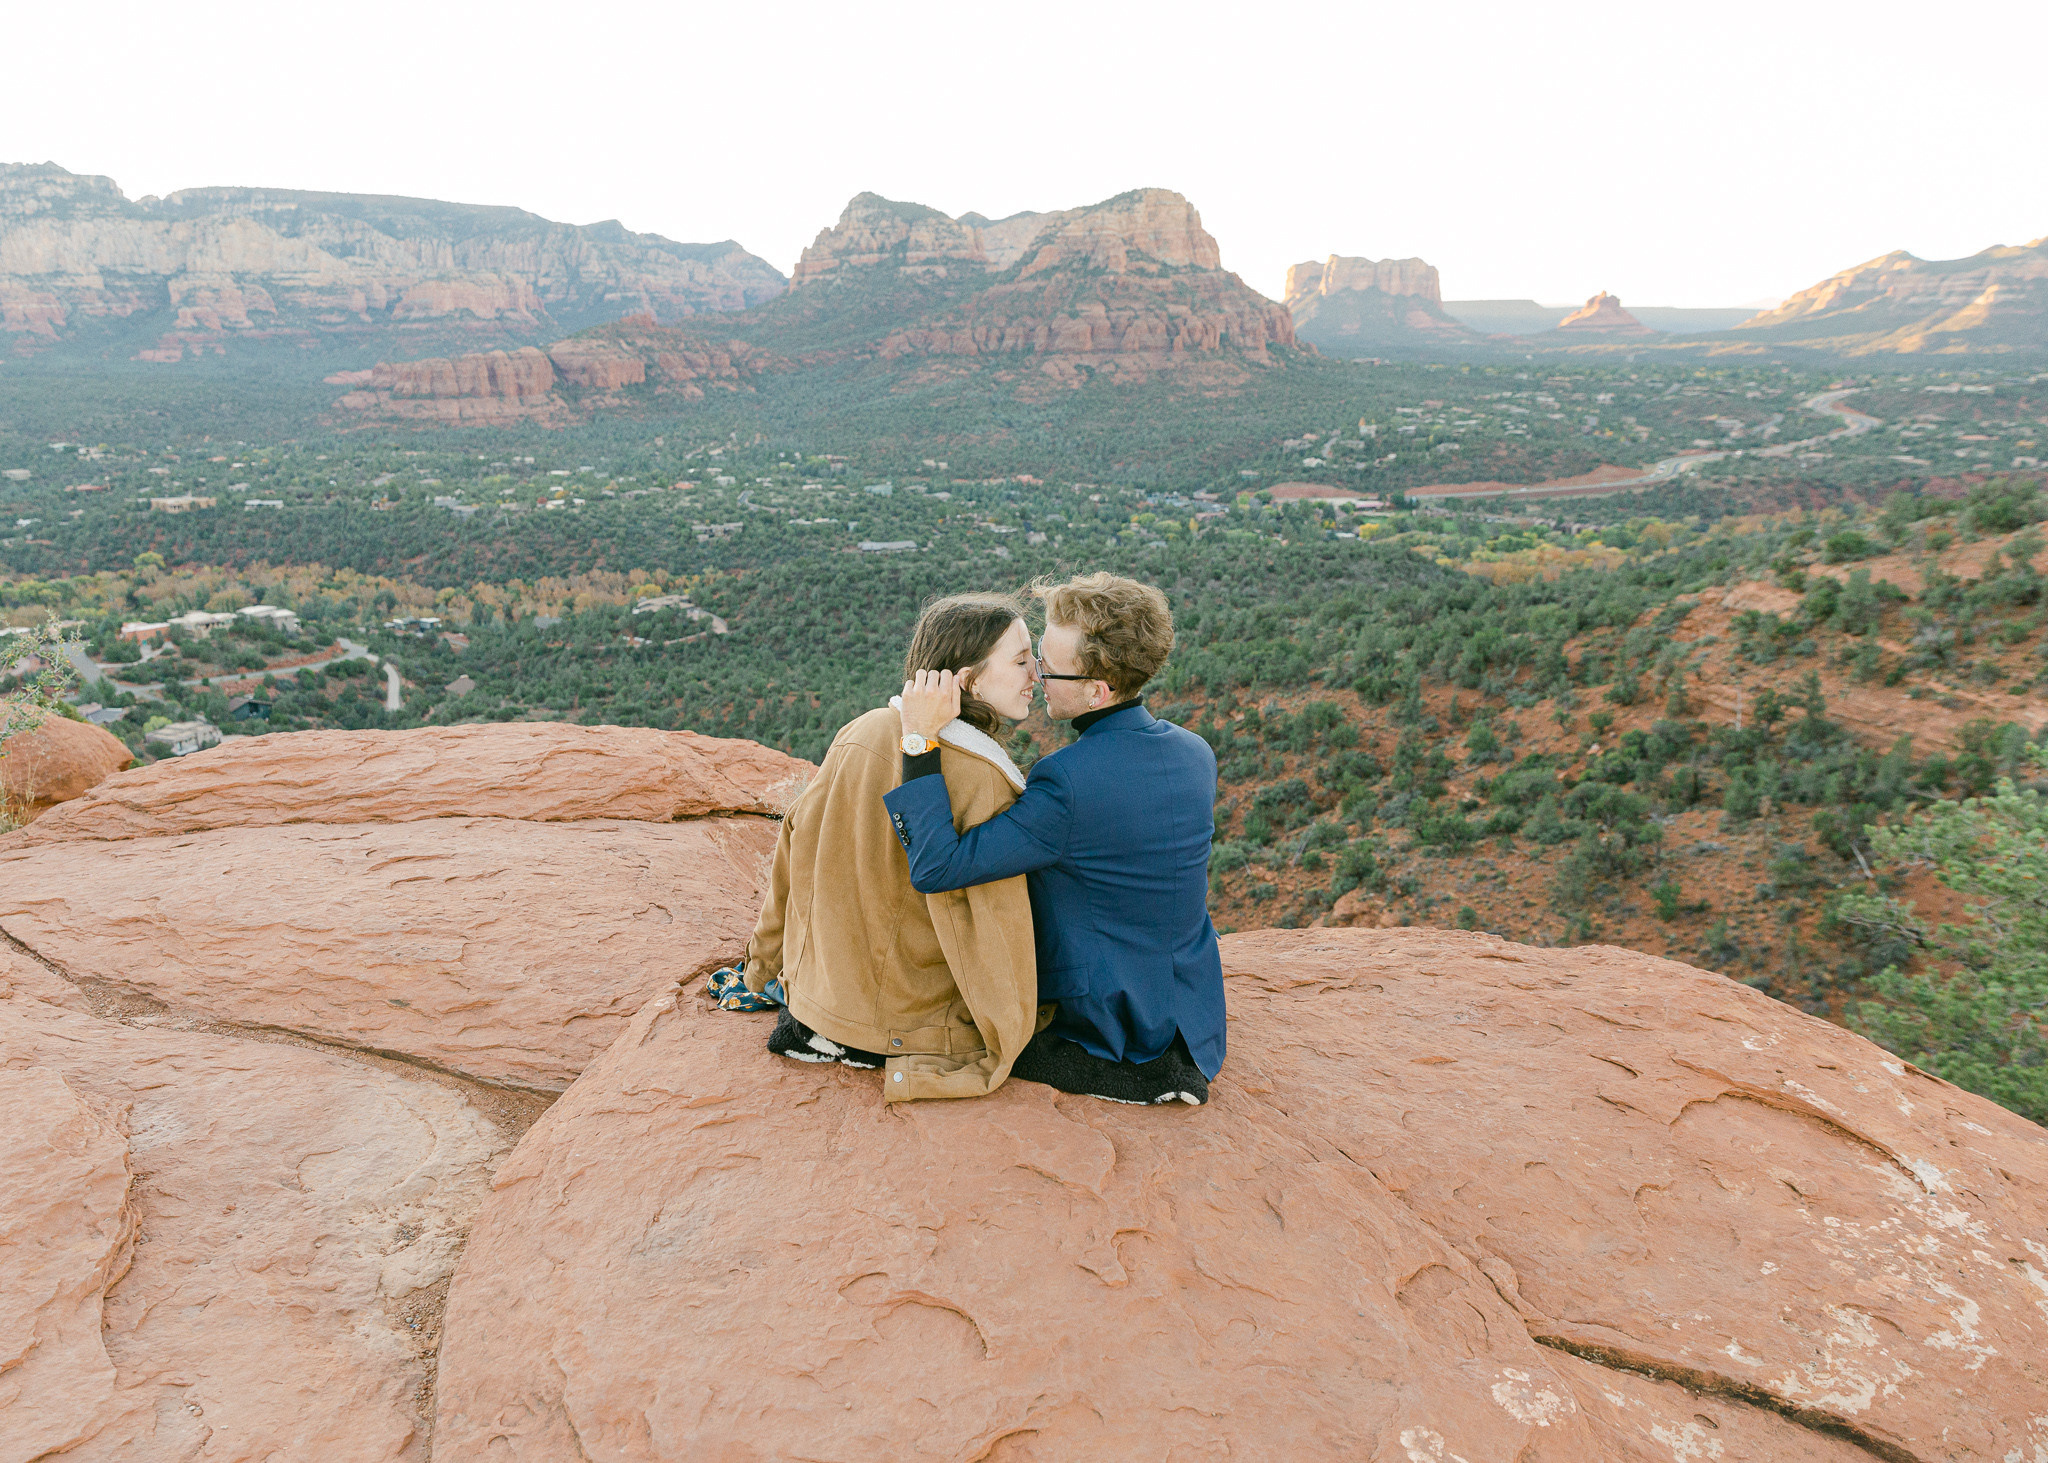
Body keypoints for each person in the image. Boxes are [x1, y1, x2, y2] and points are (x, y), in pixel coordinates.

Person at [883, 572, 1223, 1106]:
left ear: (1097, 690)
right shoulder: (1195, 752)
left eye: (1048, 665)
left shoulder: (1067, 780)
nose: (1037, 675)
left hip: (1108, 1020)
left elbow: (938, 868)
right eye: (1033, 658)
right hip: (1190, 1008)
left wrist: (918, 742)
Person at [725, 592, 1048, 1101]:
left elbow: (794, 850)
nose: (1038, 672)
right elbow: (991, 924)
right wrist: (1016, 1024)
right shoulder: (985, 779)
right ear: (967, 681)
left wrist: (761, 969)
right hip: (903, 1025)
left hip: (817, 1005)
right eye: (1022, 659)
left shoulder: (861, 731)